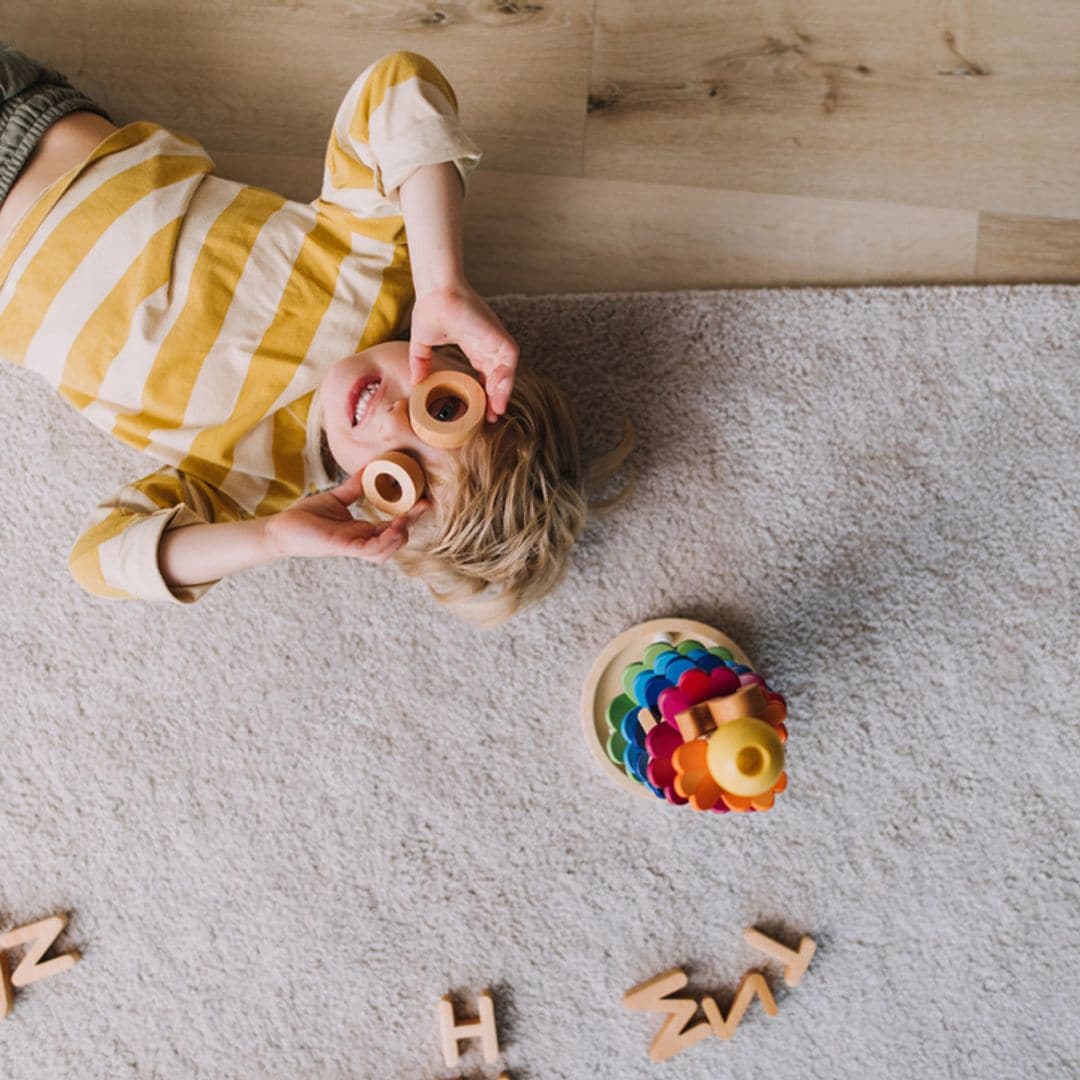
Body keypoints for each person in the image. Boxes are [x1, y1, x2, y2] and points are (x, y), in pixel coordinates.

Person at [0, 44, 635, 626]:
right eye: (441, 409)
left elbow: (99, 559)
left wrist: (270, 539)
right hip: (28, 131)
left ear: (375, 509)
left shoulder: (249, 482)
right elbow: (399, 86)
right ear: (460, 359)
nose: (390, 418)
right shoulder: (367, 267)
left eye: (400, 472)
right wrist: (443, 281)